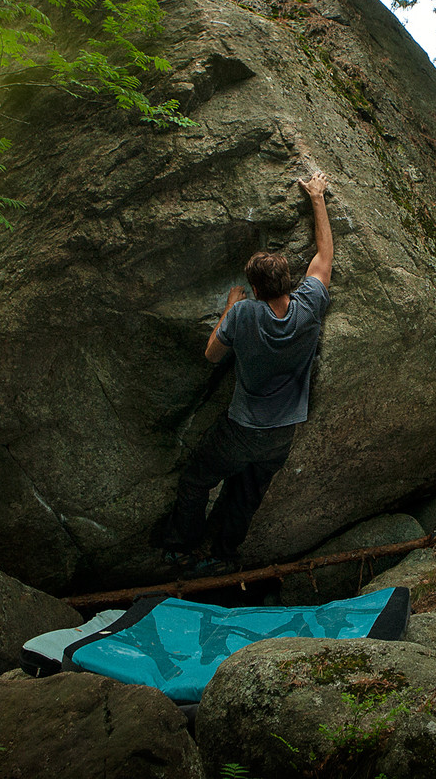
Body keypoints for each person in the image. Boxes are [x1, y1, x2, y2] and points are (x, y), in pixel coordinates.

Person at [162, 171, 333, 576]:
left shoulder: (243, 314)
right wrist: (317, 196)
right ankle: (222, 555)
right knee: (247, 495)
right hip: (282, 432)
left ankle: (182, 549)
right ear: (289, 282)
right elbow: (324, 255)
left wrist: (229, 307)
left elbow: (212, 354)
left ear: (254, 290)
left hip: (241, 429)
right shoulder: (310, 306)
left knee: (196, 480)